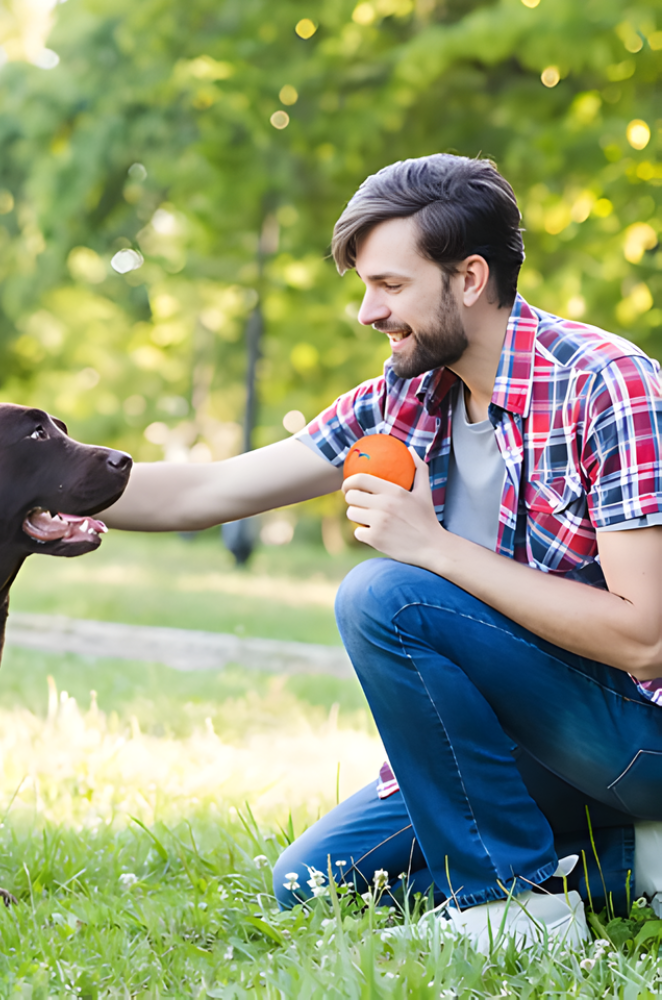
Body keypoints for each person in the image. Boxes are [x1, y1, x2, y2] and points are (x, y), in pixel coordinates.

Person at [101, 153, 662, 946]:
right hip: (532, 749)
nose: (368, 312)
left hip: (638, 737)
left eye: (390, 286)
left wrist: (432, 547)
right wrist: (34, 486)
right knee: (313, 884)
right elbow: (208, 491)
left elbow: (646, 638)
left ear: (469, 278)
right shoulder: (405, 393)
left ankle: (516, 908)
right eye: (366, 286)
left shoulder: (607, 385)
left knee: (384, 595)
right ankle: (623, 869)